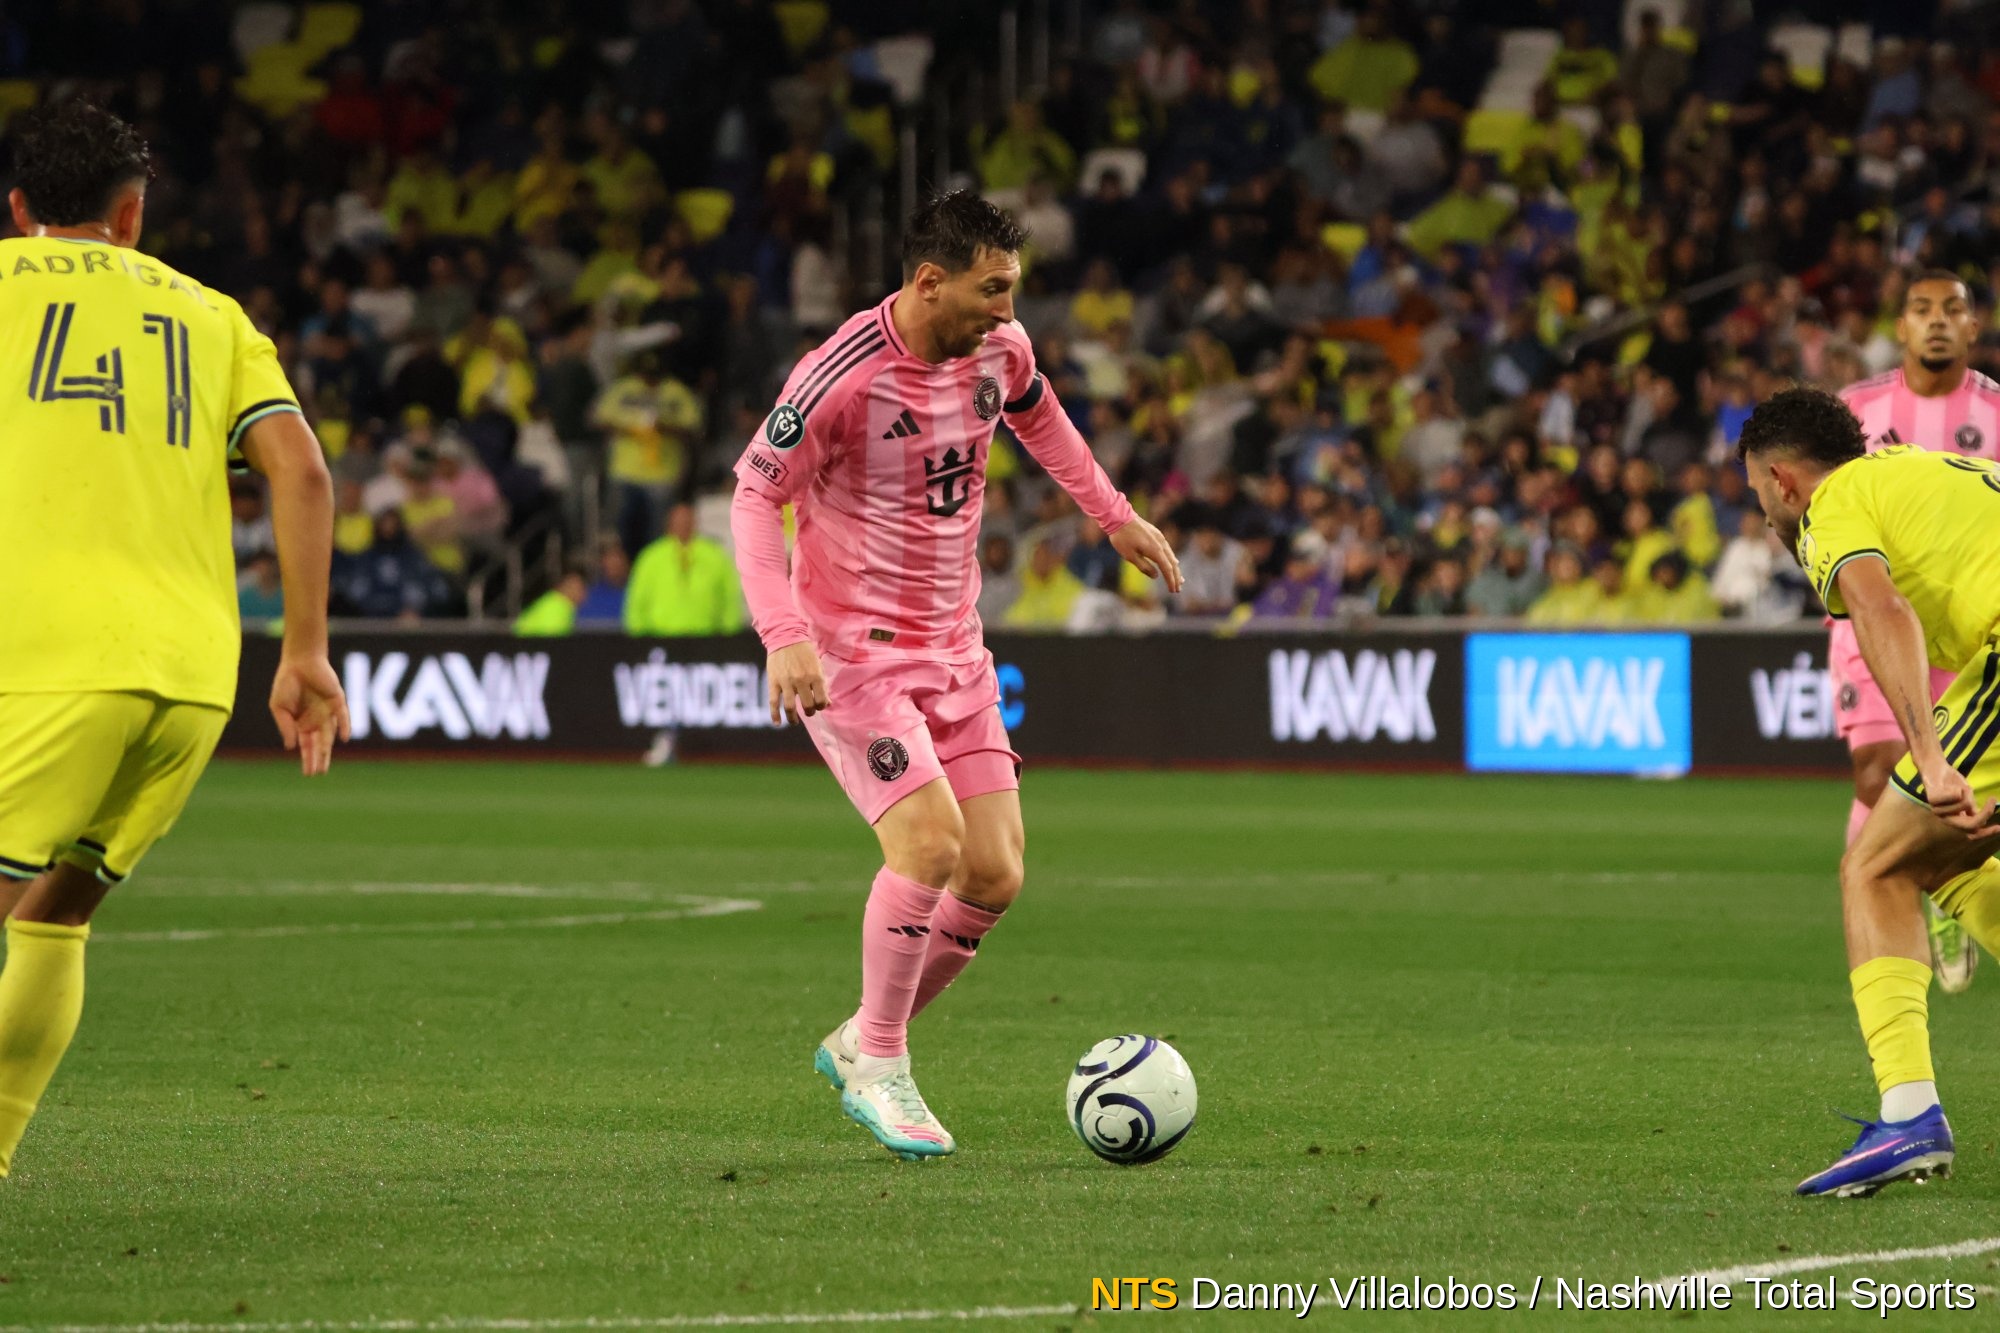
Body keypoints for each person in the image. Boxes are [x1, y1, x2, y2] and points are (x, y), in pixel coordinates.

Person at [730, 191, 1179, 1161]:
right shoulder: (838, 377)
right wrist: (781, 632)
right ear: (929, 281)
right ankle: (880, 1059)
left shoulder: (999, 352)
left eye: (1011, 290)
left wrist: (1114, 514)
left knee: (994, 871)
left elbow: (1040, 417)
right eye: (991, 290)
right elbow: (752, 498)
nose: (1007, 311)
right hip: (856, 654)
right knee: (927, 847)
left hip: (955, 646)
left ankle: (860, 1033)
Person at [0, 102, 347, 1179]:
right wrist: (303, 651)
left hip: (45, 655)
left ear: (16, 211)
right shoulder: (212, 314)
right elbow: (299, 470)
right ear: (131, 215)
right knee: (56, 917)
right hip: (194, 675)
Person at [1741, 388, 2000, 1197]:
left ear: (1784, 480)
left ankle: (1910, 1115)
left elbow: (1879, 605)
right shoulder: (1915, 471)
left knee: (1873, 866)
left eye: (1757, 495)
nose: (1766, 518)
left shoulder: (1835, 505)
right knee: (1940, 856)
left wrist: (1931, 753)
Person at [1832, 271, 2000, 992]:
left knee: (1950, 785)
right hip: (1873, 605)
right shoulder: (1857, 408)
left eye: (1952, 310)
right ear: (1899, 328)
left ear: (1973, 326)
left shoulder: (1995, 406)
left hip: (1966, 614)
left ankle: (1938, 873)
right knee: (1877, 767)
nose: (1936, 323)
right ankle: (1931, 881)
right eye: (1921, 310)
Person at [623, 502, 746, 637]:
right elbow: (636, 603)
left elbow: (730, 599)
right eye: (678, 521)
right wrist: (639, 640)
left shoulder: (715, 556)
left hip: (707, 639)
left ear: (695, 523)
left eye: (687, 520)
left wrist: (728, 636)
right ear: (668, 524)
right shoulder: (650, 558)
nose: (682, 525)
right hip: (660, 639)